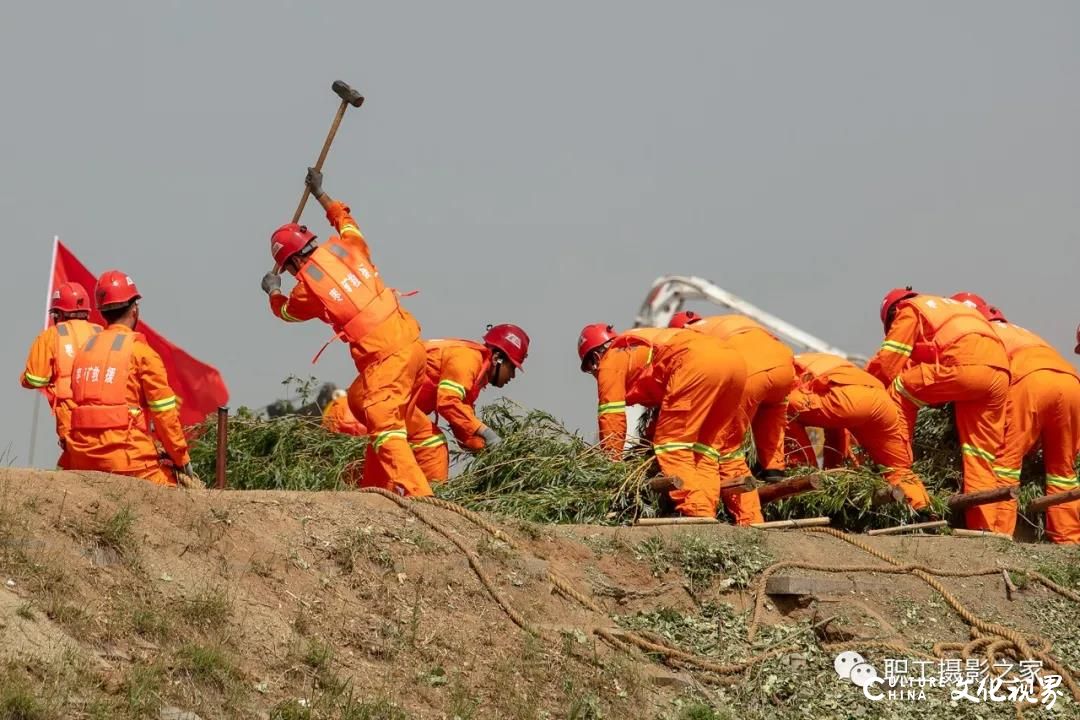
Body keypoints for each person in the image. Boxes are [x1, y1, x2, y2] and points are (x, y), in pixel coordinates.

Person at [262, 168, 430, 497]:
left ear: (292, 266)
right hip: (412, 347)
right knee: (359, 400)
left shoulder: (306, 289)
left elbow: (286, 313)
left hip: (386, 360)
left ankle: (422, 499)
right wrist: (322, 194)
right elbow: (346, 222)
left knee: (383, 419)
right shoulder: (348, 247)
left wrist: (272, 290)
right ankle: (375, 487)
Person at [577, 324, 762, 524]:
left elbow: (611, 418)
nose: (595, 375)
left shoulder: (611, 359)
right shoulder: (638, 347)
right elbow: (665, 414)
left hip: (695, 363)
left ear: (594, 358)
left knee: (672, 445)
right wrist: (643, 447)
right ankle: (749, 519)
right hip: (734, 363)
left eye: (590, 370)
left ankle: (698, 514)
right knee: (706, 449)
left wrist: (610, 467)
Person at [867, 288, 1010, 533]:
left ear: (892, 312)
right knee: (979, 456)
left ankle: (899, 464)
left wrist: (869, 390)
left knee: (900, 388)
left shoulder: (909, 310)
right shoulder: (950, 310)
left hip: (964, 366)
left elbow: (888, 363)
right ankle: (982, 531)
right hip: (999, 373)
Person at [953, 292, 1080, 543]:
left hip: (1029, 383)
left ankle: (998, 535)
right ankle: (1069, 540)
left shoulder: (979, 334)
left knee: (1004, 464)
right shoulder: (1022, 332)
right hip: (1071, 383)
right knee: (1062, 470)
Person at [65, 271, 195, 487]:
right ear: (135, 309)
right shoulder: (142, 353)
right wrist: (181, 458)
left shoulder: (84, 350)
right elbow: (165, 416)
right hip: (128, 462)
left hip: (81, 460)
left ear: (102, 311)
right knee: (176, 495)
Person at [785, 352, 931, 509]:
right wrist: (833, 472)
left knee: (781, 408)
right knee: (898, 469)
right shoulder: (819, 359)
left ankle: (799, 477)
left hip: (847, 397)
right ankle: (925, 511)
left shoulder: (786, 367)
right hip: (881, 401)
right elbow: (837, 429)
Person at [669, 312, 795, 482]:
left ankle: (736, 488)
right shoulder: (722, 322)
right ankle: (774, 471)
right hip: (785, 368)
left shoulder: (691, 335)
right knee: (772, 421)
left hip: (752, 371)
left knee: (728, 442)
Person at [408, 324, 529, 481]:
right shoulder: (467, 359)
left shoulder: (476, 376)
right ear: (496, 359)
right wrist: (488, 434)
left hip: (400, 404)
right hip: (391, 398)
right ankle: (427, 501)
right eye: (511, 367)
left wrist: (487, 453)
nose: (512, 376)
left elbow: (462, 425)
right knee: (432, 442)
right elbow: (448, 403)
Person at [21, 282, 101, 467]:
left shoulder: (51, 335)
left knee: (74, 464)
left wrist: (24, 379)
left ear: (58, 314)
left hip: (71, 416)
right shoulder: (101, 333)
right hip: (104, 417)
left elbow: (35, 378)